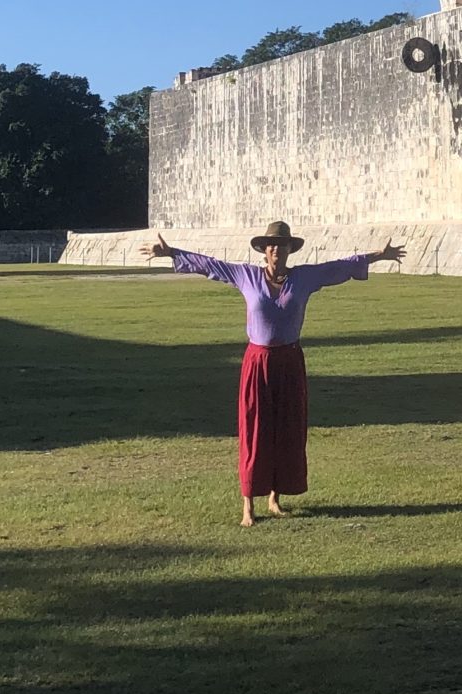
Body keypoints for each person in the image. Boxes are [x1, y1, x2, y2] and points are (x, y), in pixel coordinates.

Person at [145, 220, 405, 525]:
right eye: (271, 246)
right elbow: (210, 265)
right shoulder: (247, 276)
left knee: (287, 428)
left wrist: (377, 255)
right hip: (258, 362)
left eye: (281, 246)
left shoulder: (304, 278)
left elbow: (340, 267)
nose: (276, 250)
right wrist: (171, 252)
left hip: (290, 362)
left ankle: (274, 498)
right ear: (264, 251)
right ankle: (248, 505)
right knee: (255, 429)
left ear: (289, 250)